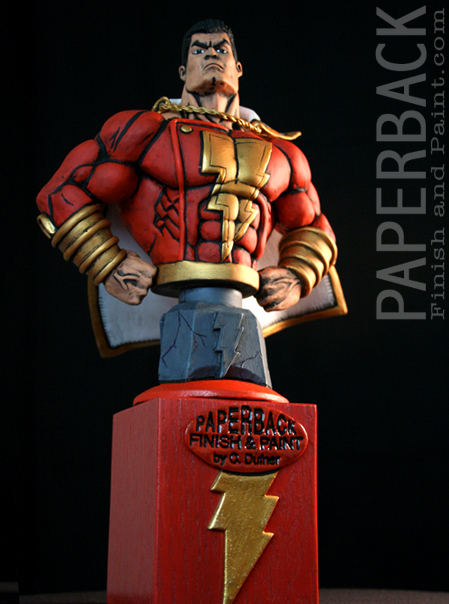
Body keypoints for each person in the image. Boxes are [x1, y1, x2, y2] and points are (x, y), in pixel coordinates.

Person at [36, 19, 338, 385]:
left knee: (248, 404)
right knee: (183, 405)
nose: (211, 55)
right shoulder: (145, 133)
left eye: (221, 48)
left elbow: (313, 225)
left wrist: (298, 274)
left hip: (244, 306)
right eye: (199, 49)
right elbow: (61, 193)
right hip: (179, 306)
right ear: (183, 70)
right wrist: (106, 261)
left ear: (238, 68)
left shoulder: (282, 153)